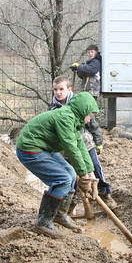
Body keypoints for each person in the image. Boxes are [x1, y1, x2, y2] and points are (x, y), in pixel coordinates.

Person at [16, 91, 99, 238]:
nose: (88, 121)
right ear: (83, 110)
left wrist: (90, 173)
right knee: (62, 179)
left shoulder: (72, 118)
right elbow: (70, 148)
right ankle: (43, 223)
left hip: (44, 147)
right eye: (90, 116)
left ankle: (59, 215)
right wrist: (84, 174)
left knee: (71, 174)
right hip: (30, 149)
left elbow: (80, 145)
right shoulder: (65, 118)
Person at [49, 75, 117, 209]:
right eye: (55, 90)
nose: (58, 92)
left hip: (86, 144)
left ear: (69, 89)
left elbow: (92, 124)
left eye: (61, 89)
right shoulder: (53, 109)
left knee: (95, 167)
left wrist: (98, 141)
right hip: (66, 148)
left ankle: (104, 192)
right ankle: (71, 200)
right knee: (70, 173)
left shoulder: (80, 104)